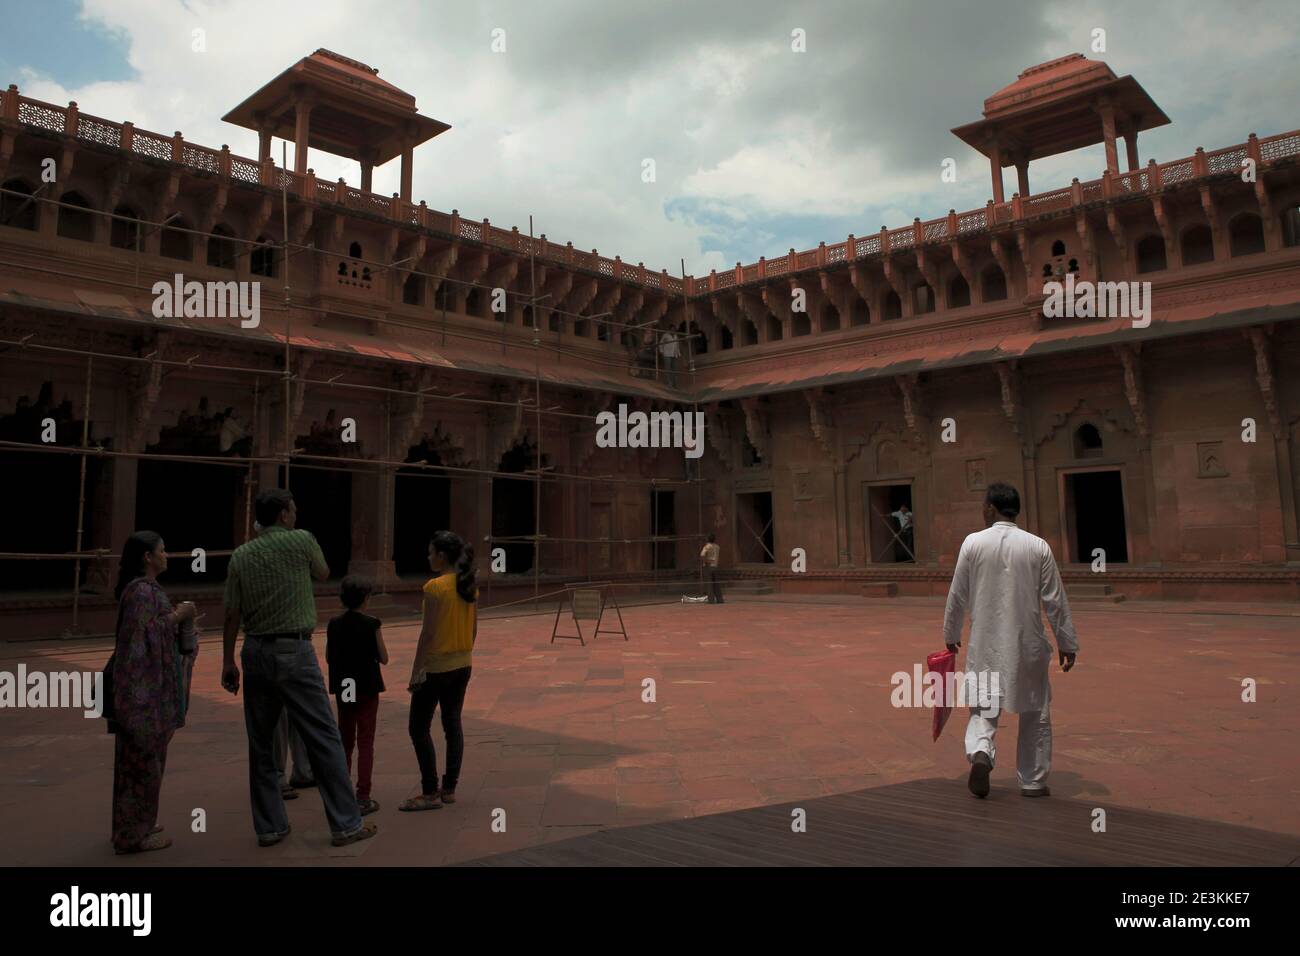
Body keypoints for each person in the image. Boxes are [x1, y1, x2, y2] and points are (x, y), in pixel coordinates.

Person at [220, 488, 376, 848]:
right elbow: (323, 573)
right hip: (294, 649)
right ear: (285, 515)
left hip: (255, 650)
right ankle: (345, 823)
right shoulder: (301, 541)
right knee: (324, 737)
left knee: (261, 745)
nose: (296, 515)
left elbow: (231, 613)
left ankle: (270, 827)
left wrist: (228, 660)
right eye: (293, 510)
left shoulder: (241, 555)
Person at [942, 482, 1078, 799]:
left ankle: (981, 752)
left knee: (984, 708)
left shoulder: (973, 544)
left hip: (985, 642)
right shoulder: (1037, 546)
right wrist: (1067, 641)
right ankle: (1033, 780)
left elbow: (957, 594)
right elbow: (1055, 600)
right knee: (1035, 711)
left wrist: (951, 633)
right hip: (1027, 643)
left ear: (990, 508)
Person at [108, 531, 198, 854]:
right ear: (147, 557)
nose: (166, 555)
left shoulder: (141, 591)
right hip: (142, 694)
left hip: (139, 692)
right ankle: (134, 835)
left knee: (138, 762)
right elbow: (146, 637)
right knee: (143, 763)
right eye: (162, 550)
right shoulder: (142, 592)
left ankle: (136, 822)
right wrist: (178, 616)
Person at [401, 531, 478, 812]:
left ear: (442, 556)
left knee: (418, 727)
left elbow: (428, 633)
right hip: (463, 663)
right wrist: (464, 652)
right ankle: (449, 788)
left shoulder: (435, 587)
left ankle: (430, 790)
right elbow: (474, 629)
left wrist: (415, 671)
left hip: (436, 666)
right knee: (452, 723)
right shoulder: (467, 584)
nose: (429, 557)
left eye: (431, 552)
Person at [326, 575, 388, 815]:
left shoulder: (334, 623)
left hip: (345, 686)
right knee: (366, 741)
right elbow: (384, 657)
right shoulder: (372, 623)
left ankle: (342, 794)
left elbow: (330, 657)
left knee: (345, 741)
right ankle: (363, 795)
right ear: (366, 599)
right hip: (367, 686)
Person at [700, 533, 723, 604]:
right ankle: (720, 599)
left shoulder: (707, 546)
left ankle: (711, 600)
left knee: (709, 584)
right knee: (716, 584)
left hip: (708, 566)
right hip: (715, 566)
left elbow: (702, 555)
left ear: (708, 539)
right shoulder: (717, 547)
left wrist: (706, 561)